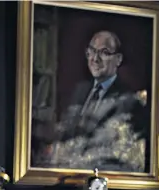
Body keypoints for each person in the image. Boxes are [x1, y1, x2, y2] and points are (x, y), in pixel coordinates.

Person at [34, 30, 148, 172]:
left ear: (118, 59)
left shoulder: (129, 101)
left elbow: (118, 153)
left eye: (104, 53)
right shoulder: (80, 90)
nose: (95, 58)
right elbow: (70, 132)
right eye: (91, 51)